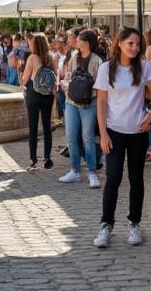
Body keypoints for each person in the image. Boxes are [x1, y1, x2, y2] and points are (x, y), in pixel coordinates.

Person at [92, 27, 151, 249]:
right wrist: (103, 134)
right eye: (130, 43)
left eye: (138, 44)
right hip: (113, 131)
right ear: (119, 43)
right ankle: (106, 225)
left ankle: (134, 223)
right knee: (113, 178)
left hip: (138, 131)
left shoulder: (146, 67)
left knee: (136, 178)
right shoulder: (105, 69)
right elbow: (101, 103)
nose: (135, 47)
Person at [59, 30, 103, 187]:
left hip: (89, 103)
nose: (77, 43)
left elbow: (100, 85)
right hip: (71, 102)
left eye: (79, 41)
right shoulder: (74, 57)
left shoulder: (97, 61)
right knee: (71, 137)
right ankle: (75, 170)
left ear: (88, 43)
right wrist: (66, 85)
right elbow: (68, 76)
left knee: (88, 138)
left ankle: (92, 172)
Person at [20, 32, 57, 172]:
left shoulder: (32, 57)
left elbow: (25, 79)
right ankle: (47, 158)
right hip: (48, 95)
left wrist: (21, 75)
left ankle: (33, 160)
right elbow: (56, 78)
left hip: (34, 95)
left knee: (33, 128)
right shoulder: (52, 57)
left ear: (35, 44)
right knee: (47, 127)